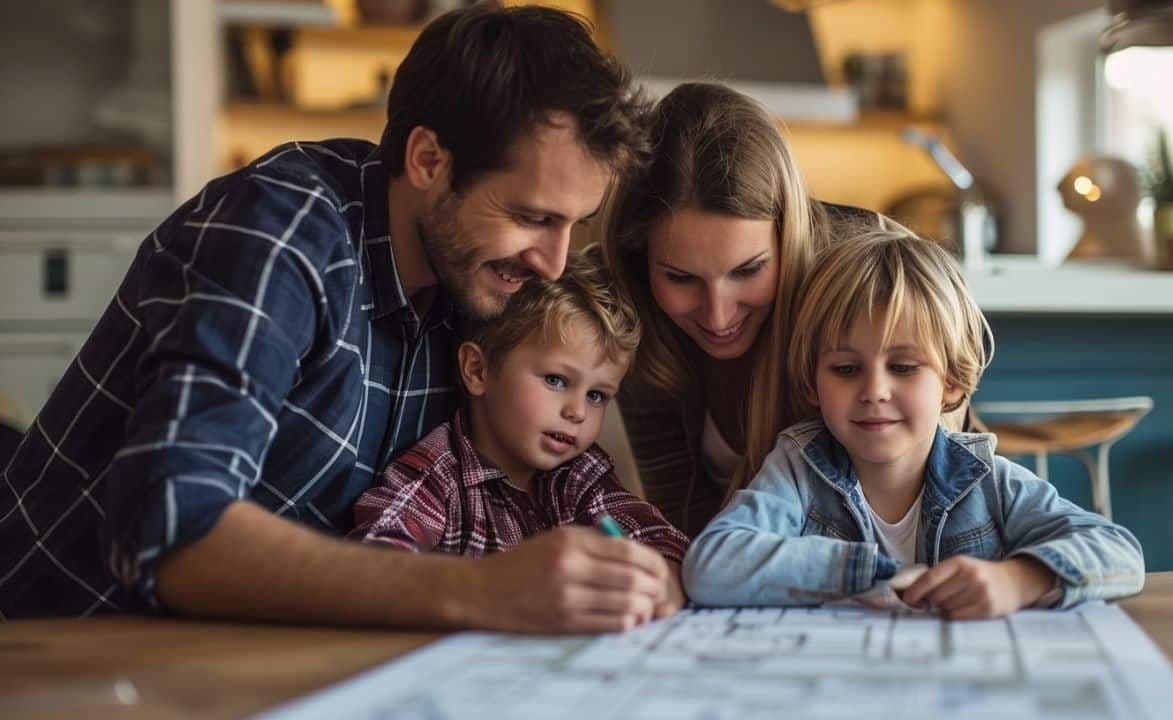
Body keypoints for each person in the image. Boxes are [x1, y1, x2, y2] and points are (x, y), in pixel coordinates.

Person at [0, 5, 663, 633]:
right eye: (531, 217)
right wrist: (483, 590)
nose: (553, 262)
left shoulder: (474, 280)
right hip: (70, 648)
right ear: (428, 161)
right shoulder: (282, 231)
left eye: (572, 224)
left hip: (259, 655)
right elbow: (175, 530)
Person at [682, 226, 1145, 616]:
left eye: (903, 367)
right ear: (811, 382)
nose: (874, 390)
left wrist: (1018, 580)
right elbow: (711, 566)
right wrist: (871, 571)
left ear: (952, 382)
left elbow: (1119, 552)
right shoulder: (798, 469)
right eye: (845, 369)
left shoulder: (988, 481)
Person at [602, 82, 954, 537]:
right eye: (681, 278)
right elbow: (683, 519)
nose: (717, 316)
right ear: (639, 259)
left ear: (789, 234)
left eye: (748, 270)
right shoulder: (627, 305)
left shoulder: (866, 269)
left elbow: (946, 486)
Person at [350, 250, 687, 629]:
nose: (577, 411)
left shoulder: (582, 474)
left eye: (597, 395)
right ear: (478, 370)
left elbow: (661, 541)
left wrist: (662, 577)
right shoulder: (436, 475)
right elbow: (376, 559)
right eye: (556, 380)